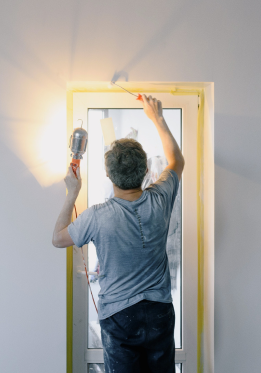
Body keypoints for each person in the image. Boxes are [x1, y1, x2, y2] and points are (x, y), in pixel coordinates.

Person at [52, 95, 185, 373]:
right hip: (159, 310)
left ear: (108, 175)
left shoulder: (97, 215)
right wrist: (157, 118)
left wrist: (72, 193)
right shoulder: (160, 198)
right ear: (146, 170)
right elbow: (176, 160)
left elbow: (58, 238)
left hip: (119, 316)